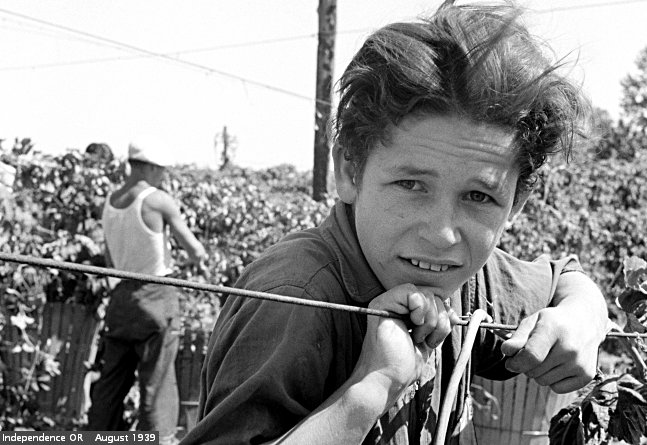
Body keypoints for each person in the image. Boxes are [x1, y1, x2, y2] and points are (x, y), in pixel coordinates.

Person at [181, 3, 608, 444]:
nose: (441, 234)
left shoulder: (464, 277)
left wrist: (584, 313)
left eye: (479, 197)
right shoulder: (294, 300)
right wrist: (371, 388)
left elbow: (564, 279)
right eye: (411, 185)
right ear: (350, 170)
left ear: (516, 203)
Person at [87, 139, 207, 444]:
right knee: (158, 382)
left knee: (112, 381)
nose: (163, 176)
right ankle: (159, 440)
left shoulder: (111, 201)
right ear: (150, 168)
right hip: (156, 296)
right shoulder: (158, 200)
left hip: (121, 298)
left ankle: (98, 438)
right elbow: (196, 251)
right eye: (161, 170)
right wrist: (193, 260)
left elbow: (111, 260)